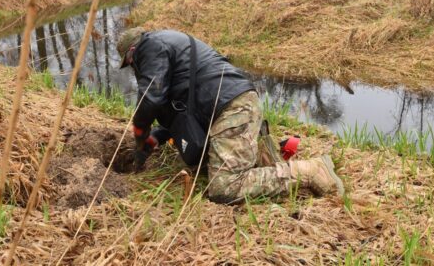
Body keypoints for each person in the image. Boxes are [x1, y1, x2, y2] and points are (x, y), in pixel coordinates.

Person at [117, 27, 344, 204]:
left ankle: (311, 171)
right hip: (235, 104)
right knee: (224, 167)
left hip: (231, 110)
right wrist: (157, 135)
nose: (134, 70)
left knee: (224, 187)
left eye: (130, 65)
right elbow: (176, 107)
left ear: (132, 53)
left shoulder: (150, 46)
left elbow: (152, 98)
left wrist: (140, 132)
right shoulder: (169, 43)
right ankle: (260, 156)